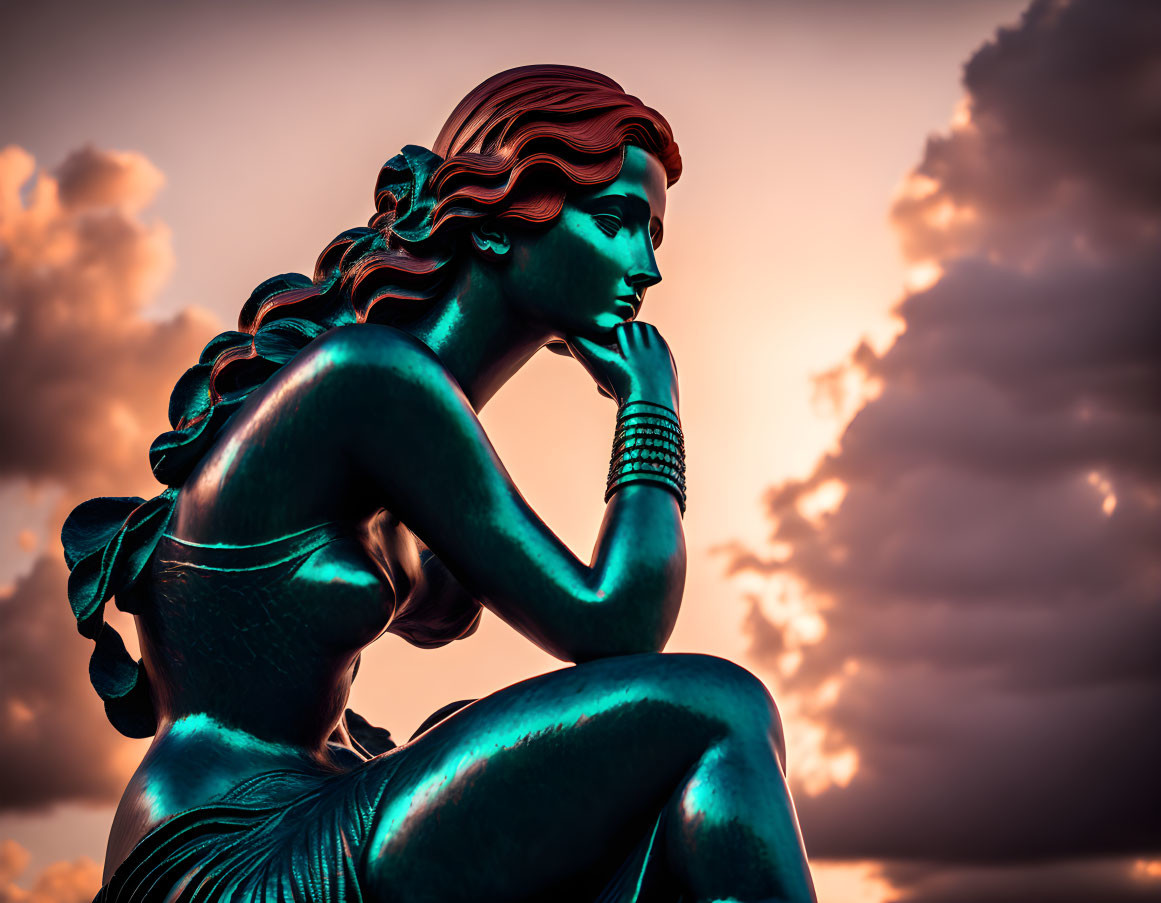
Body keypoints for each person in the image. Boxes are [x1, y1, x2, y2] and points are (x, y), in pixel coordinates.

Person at [63, 65, 817, 903]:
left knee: (662, 794)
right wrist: (650, 405)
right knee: (719, 708)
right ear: (495, 224)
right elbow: (618, 625)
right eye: (615, 221)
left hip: (315, 801)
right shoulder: (369, 379)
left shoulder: (404, 424)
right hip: (227, 848)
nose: (645, 268)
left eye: (653, 237)